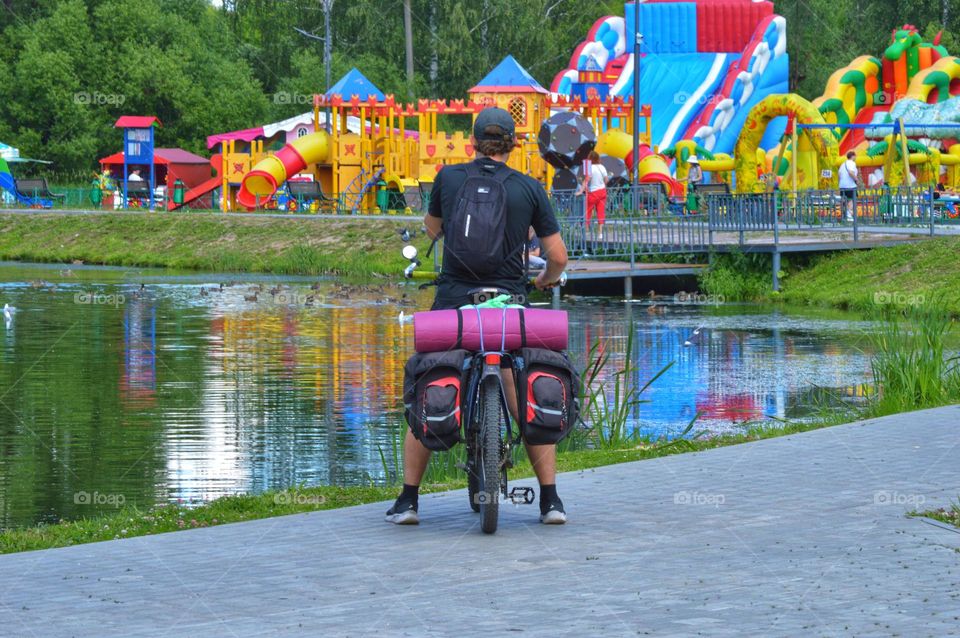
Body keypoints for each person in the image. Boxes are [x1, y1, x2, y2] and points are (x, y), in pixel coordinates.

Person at [386, 107, 569, 526]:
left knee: (430, 377)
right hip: (509, 307)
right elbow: (557, 256)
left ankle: (409, 501)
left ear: (472, 143)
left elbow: (431, 231)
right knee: (520, 383)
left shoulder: (449, 179)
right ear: (513, 144)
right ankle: (551, 502)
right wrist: (545, 281)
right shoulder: (529, 188)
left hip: (454, 301)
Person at [576, 150, 609, 239]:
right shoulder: (602, 167)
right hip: (602, 192)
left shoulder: (590, 168)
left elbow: (586, 180)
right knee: (601, 211)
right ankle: (600, 233)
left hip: (593, 193)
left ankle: (586, 230)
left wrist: (580, 191)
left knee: (588, 211)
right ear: (598, 158)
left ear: (590, 159)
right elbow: (606, 180)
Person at [839, 151, 858, 221]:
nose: (856, 158)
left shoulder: (842, 164)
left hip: (842, 185)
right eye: (855, 156)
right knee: (852, 199)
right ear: (853, 156)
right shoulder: (852, 163)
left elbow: (839, 174)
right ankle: (849, 215)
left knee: (844, 200)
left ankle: (844, 215)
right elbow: (850, 172)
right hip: (850, 185)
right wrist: (856, 179)